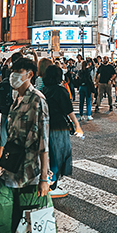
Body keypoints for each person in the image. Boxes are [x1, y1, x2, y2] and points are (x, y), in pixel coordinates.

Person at [0, 56, 74, 233]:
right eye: (12, 71)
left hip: (30, 176)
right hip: (9, 173)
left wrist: (45, 178)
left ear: (30, 74)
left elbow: (43, 141)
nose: (13, 76)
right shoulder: (17, 98)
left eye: (18, 72)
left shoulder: (37, 100)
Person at [42, 64, 83, 198]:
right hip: (58, 127)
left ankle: (48, 184)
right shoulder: (60, 91)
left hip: (46, 126)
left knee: (50, 156)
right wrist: (77, 125)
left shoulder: (43, 90)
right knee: (58, 158)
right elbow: (69, 110)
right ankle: (51, 187)